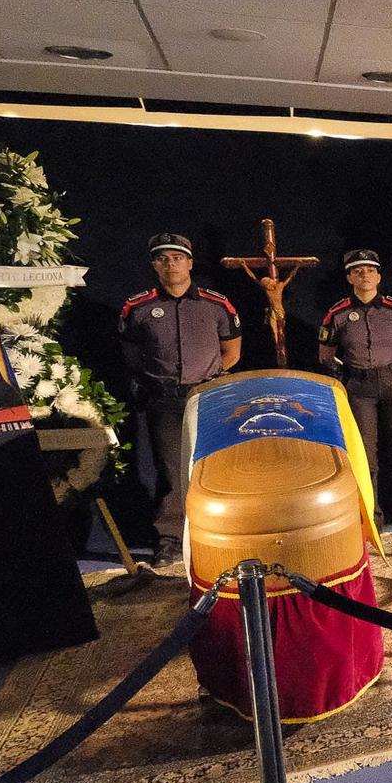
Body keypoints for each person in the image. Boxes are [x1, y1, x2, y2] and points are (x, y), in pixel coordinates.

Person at [118, 233, 240, 568]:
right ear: (154, 265)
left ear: (189, 262)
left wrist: (207, 380)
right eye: (163, 259)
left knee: (216, 466)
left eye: (178, 258)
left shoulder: (216, 304)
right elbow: (131, 354)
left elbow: (232, 350)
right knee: (172, 469)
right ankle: (171, 539)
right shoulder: (138, 307)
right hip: (166, 400)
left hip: (209, 397)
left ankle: (224, 534)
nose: (171, 264)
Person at [319, 249, 392, 535]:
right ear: (350, 276)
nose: (365, 275)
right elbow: (325, 353)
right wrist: (346, 373)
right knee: (366, 455)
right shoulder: (337, 313)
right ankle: (372, 518)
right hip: (359, 386)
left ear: (379, 275)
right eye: (359, 270)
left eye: (371, 270)